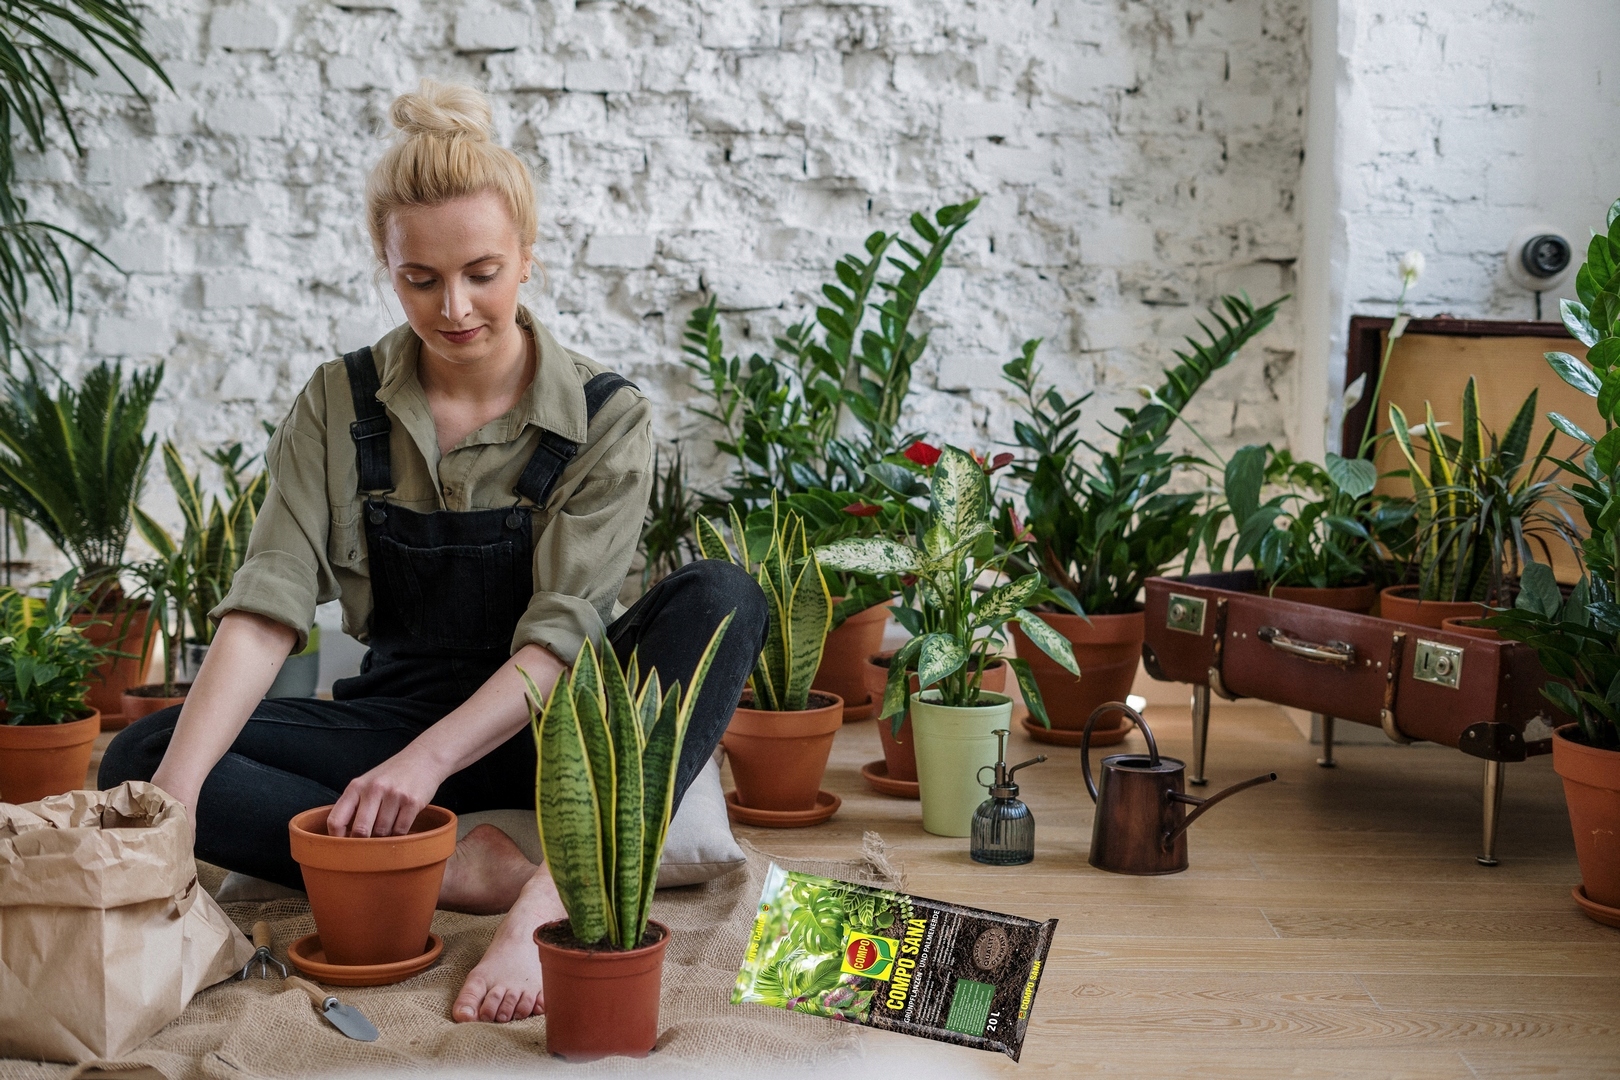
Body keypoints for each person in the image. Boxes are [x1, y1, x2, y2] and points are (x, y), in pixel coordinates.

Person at [99, 80, 766, 1025]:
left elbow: (561, 638)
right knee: (145, 755)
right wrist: (171, 806)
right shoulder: (337, 403)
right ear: (386, 264)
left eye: (483, 272)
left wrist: (421, 768)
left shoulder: (606, 417)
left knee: (725, 594)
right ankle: (456, 869)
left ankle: (553, 893)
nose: (455, 308)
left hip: (561, 727)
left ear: (527, 255)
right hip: (396, 713)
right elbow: (266, 609)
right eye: (420, 280)